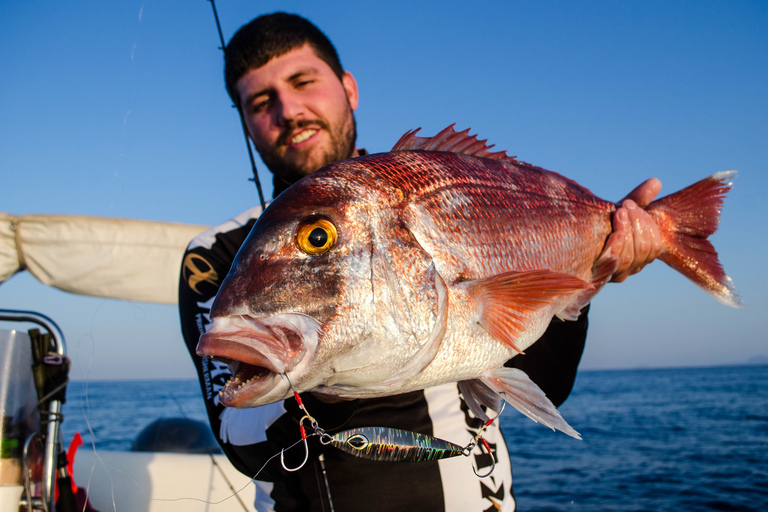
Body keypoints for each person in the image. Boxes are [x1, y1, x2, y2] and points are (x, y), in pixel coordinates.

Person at [178, 12, 662, 512]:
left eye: (304, 81)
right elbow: (239, 438)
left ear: (348, 88)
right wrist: (323, 370)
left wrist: (591, 271)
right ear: (245, 123)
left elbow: (547, 385)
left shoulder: (422, 188)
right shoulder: (216, 253)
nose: (289, 110)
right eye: (261, 101)